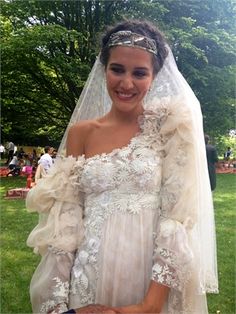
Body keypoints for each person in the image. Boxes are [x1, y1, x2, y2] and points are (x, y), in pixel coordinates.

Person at [26, 20, 218, 314]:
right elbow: (66, 222)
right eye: (117, 69)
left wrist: (149, 305)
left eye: (139, 73)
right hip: (88, 283)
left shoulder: (170, 128)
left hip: (149, 286)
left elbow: (178, 219)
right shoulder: (82, 133)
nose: (126, 83)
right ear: (104, 69)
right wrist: (60, 307)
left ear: (154, 77)